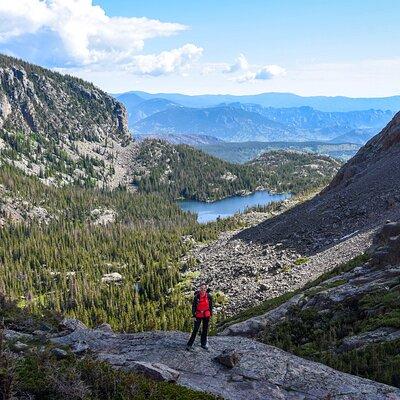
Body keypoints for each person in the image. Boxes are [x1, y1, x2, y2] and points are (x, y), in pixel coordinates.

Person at [186, 282, 213, 351]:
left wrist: (211, 314)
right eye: (201, 289)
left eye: (204, 289)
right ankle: (189, 345)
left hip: (206, 315)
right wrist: (193, 315)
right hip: (198, 315)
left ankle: (203, 344)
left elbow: (210, 306)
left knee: (205, 329)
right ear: (199, 289)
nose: (203, 290)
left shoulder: (209, 296)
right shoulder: (197, 297)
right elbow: (194, 306)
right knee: (195, 329)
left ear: (206, 289)